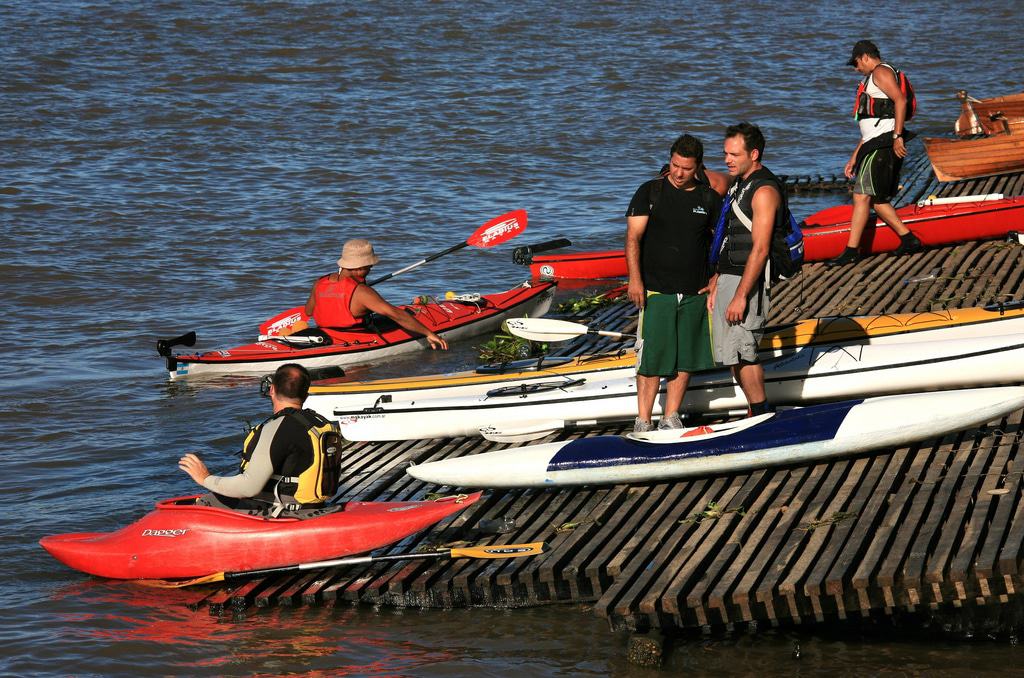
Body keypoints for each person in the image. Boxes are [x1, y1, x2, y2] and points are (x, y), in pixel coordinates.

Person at [625, 134, 725, 433]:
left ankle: (671, 416)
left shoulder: (709, 198)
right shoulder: (650, 191)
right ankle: (643, 420)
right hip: (656, 289)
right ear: (670, 161)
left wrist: (717, 276)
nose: (679, 173)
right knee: (652, 358)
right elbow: (633, 238)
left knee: (685, 358)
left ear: (698, 167)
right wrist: (635, 279)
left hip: (695, 289)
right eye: (675, 165)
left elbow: (721, 242)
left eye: (686, 168)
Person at [179, 363, 339, 515]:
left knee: (204, 504)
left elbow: (249, 487)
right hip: (314, 505)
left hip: (282, 511)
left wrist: (205, 479)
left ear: (272, 390)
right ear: (305, 394)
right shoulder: (322, 424)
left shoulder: (277, 427)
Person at [707, 122, 781, 417]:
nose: (728, 160)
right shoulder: (740, 184)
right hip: (730, 276)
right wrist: (716, 279)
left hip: (746, 282)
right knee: (734, 352)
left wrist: (740, 295)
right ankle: (755, 409)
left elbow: (760, 249)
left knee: (745, 350)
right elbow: (728, 236)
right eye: (725, 153)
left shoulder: (763, 190)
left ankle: (762, 412)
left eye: (734, 154)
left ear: (753, 153)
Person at [828, 39, 922, 266]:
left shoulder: (880, 72)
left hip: (884, 142)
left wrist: (897, 136)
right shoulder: (874, 77)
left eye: (856, 63)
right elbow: (871, 125)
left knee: (861, 195)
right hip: (874, 142)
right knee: (877, 199)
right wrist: (854, 156)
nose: (856, 68)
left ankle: (851, 251)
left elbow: (900, 100)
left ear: (865, 57)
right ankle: (909, 239)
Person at [304, 238, 448, 350]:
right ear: (360, 268)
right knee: (403, 315)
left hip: (327, 334)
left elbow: (308, 311)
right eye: (369, 267)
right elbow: (394, 314)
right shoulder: (362, 292)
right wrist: (428, 333)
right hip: (355, 337)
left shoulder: (320, 282)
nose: (371, 270)